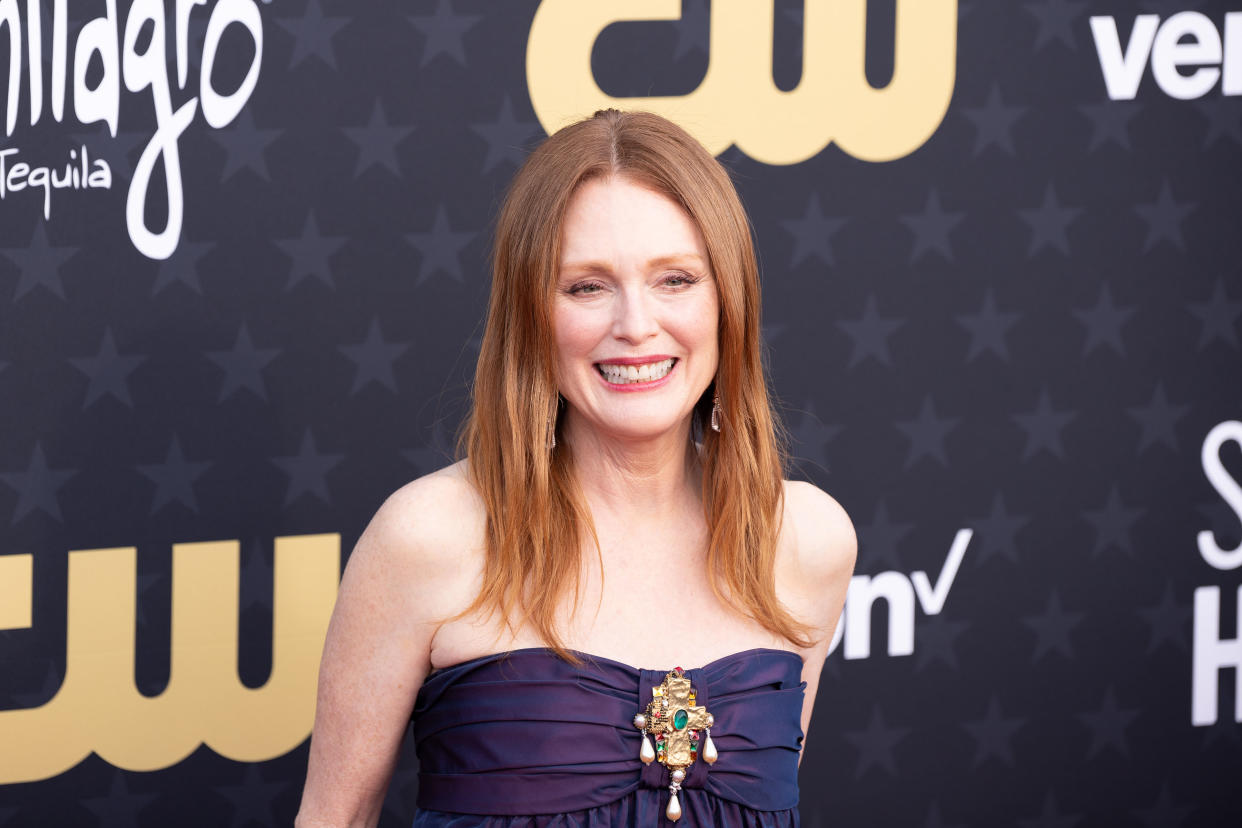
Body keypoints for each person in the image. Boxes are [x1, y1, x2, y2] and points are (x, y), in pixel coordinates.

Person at [295, 109, 856, 827]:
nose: (636, 325)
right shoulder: (428, 538)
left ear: (730, 302)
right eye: (587, 286)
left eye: (676, 279)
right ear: (532, 315)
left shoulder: (807, 541)